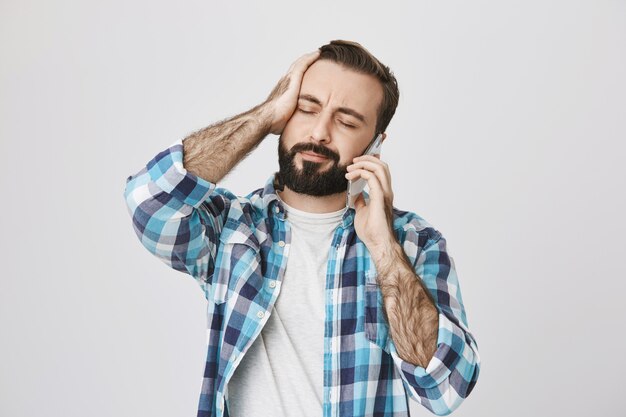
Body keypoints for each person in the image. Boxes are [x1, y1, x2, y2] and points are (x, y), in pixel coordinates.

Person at [123, 40, 480, 417]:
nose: (319, 132)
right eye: (306, 109)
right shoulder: (231, 228)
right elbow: (148, 201)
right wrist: (263, 116)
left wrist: (384, 249)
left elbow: (446, 388)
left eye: (346, 121)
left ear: (376, 144)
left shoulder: (414, 244)